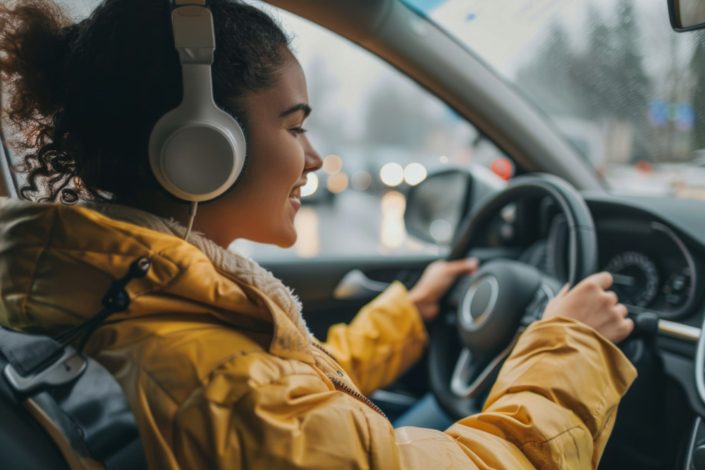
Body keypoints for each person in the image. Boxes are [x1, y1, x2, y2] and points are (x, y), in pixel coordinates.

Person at [0, 0, 636, 468]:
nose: (312, 157)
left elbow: (293, 405)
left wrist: (408, 315)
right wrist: (571, 346)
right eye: (295, 126)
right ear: (201, 146)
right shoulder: (218, 388)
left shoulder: (100, 298)